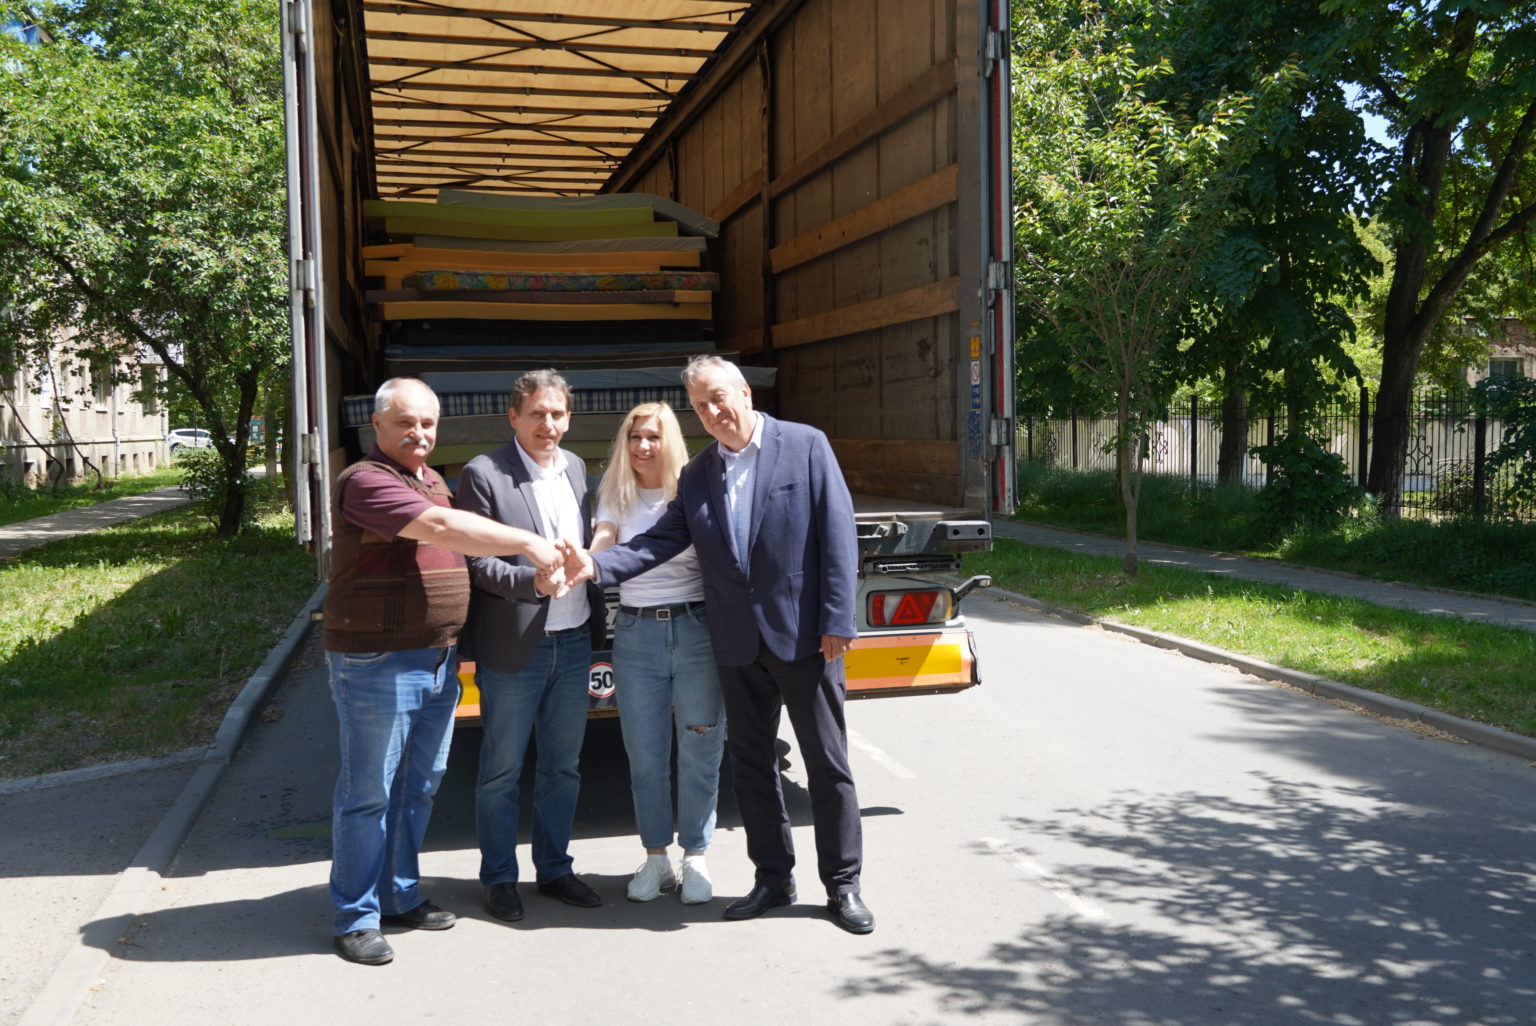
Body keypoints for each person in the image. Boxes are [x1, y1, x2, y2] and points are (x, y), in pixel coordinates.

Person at [569, 355, 874, 934]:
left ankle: (843, 885)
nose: (711, 412)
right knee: (752, 765)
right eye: (700, 405)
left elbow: (837, 535)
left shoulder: (805, 445)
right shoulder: (699, 473)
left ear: (744, 393)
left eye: (718, 398)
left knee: (827, 764)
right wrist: (594, 566)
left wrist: (838, 619)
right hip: (734, 642)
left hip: (805, 638)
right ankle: (773, 879)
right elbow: (659, 541)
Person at [324, 377, 565, 966]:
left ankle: (399, 895)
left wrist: (531, 578)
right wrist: (532, 542)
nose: (419, 433)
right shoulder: (366, 480)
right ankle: (355, 917)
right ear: (377, 424)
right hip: (379, 660)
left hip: (437, 657)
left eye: (428, 423)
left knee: (418, 787)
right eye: (405, 422)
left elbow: (467, 554)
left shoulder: (431, 480)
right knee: (368, 794)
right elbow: (438, 529)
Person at [453, 369, 606, 924]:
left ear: (569, 418)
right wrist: (533, 583)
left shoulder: (577, 468)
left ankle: (555, 868)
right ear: (513, 416)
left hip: (574, 639)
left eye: (557, 414)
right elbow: (475, 559)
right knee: (501, 770)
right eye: (537, 413)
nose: (549, 424)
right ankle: (499, 878)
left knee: (563, 767)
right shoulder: (484, 473)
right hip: (517, 645)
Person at [590, 402, 725, 905]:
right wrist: (582, 560)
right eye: (634, 437)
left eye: (653, 436)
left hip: (695, 629)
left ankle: (696, 857)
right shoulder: (615, 493)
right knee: (645, 754)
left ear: (670, 442)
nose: (643, 446)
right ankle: (655, 858)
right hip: (636, 634)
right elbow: (604, 542)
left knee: (700, 747)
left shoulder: (691, 490)